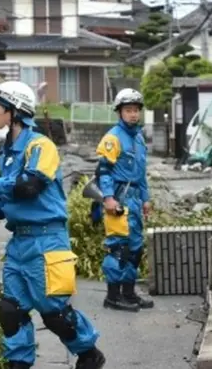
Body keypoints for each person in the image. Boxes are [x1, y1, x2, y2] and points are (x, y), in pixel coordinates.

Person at [0, 81, 105, 369]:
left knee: (53, 312)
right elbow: (5, 204)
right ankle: (18, 363)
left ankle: (89, 353)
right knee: (10, 310)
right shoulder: (3, 157)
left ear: (14, 112)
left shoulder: (40, 146)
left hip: (48, 242)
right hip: (19, 243)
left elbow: (29, 187)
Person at [91, 88, 153, 312]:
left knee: (135, 249)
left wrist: (146, 199)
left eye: (136, 110)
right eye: (128, 110)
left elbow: (141, 172)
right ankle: (113, 296)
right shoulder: (113, 138)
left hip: (135, 198)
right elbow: (104, 171)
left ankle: (128, 293)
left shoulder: (138, 137)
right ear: (120, 112)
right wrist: (107, 198)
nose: (133, 114)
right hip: (118, 198)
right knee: (118, 248)